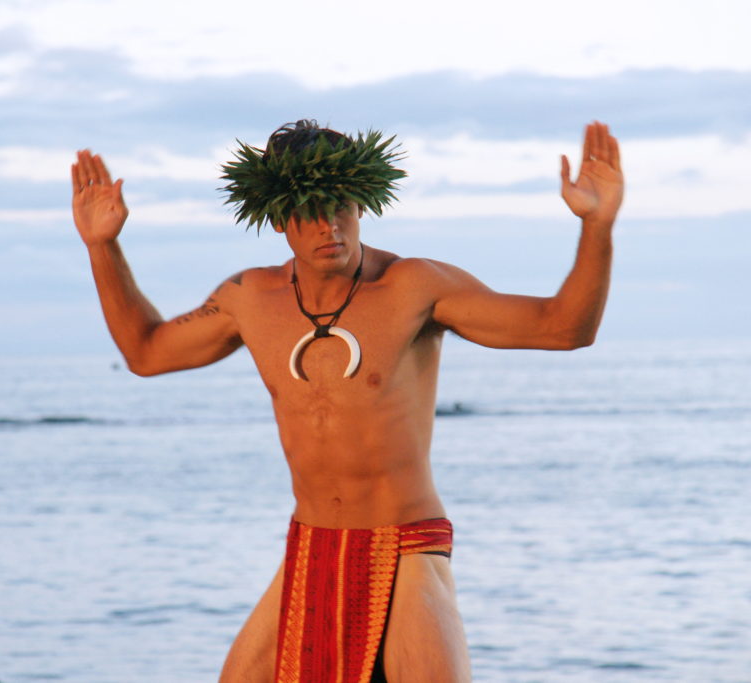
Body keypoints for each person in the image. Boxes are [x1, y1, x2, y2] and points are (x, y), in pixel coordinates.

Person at [70, 119, 623, 683]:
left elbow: (564, 328)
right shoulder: (249, 298)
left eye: (343, 206)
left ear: (364, 203)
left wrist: (597, 227)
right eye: (310, 211)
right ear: (280, 219)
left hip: (407, 543)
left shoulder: (415, 287)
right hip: (310, 546)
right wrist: (102, 246)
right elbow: (146, 352)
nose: (329, 225)